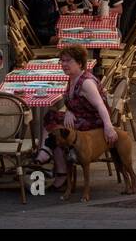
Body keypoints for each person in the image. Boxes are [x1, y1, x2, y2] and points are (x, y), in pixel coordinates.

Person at [35, 44, 117, 190]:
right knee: (51, 117)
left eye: (68, 61)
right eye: (62, 61)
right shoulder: (72, 78)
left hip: (93, 123)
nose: (64, 64)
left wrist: (109, 127)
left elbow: (100, 105)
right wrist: (69, 111)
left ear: (79, 63)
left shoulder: (86, 83)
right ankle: (50, 157)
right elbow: (76, 102)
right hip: (81, 117)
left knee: (57, 129)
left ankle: (55, 165)